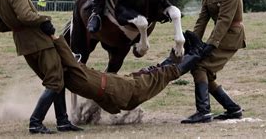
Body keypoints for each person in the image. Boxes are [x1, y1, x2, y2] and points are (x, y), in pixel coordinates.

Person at [0, 0, 83, 134]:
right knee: (55, 80)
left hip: (24, 45)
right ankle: (35, 122)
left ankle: (63, 121)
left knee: (56, 79)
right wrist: (45, 20)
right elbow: (26, 16)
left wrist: (16, 27)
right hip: (39, 42)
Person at [51, 30, 209, 114]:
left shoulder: (70, 76)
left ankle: (181, 55)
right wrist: (55, 37)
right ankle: (197, 53)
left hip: (116, 88)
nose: (76, 59)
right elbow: (68, 58)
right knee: (160, 75)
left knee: (152, 72)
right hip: (120, 91)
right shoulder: (74, 73)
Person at [181, 0, 246, 124]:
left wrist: (211, 44)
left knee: (200, 66)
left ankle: (203, 112)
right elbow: (202, 20)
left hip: (231, 36)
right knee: (204, 71)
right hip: (221, 35)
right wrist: (193, 40)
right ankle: (233, 109)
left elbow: (224, 21)